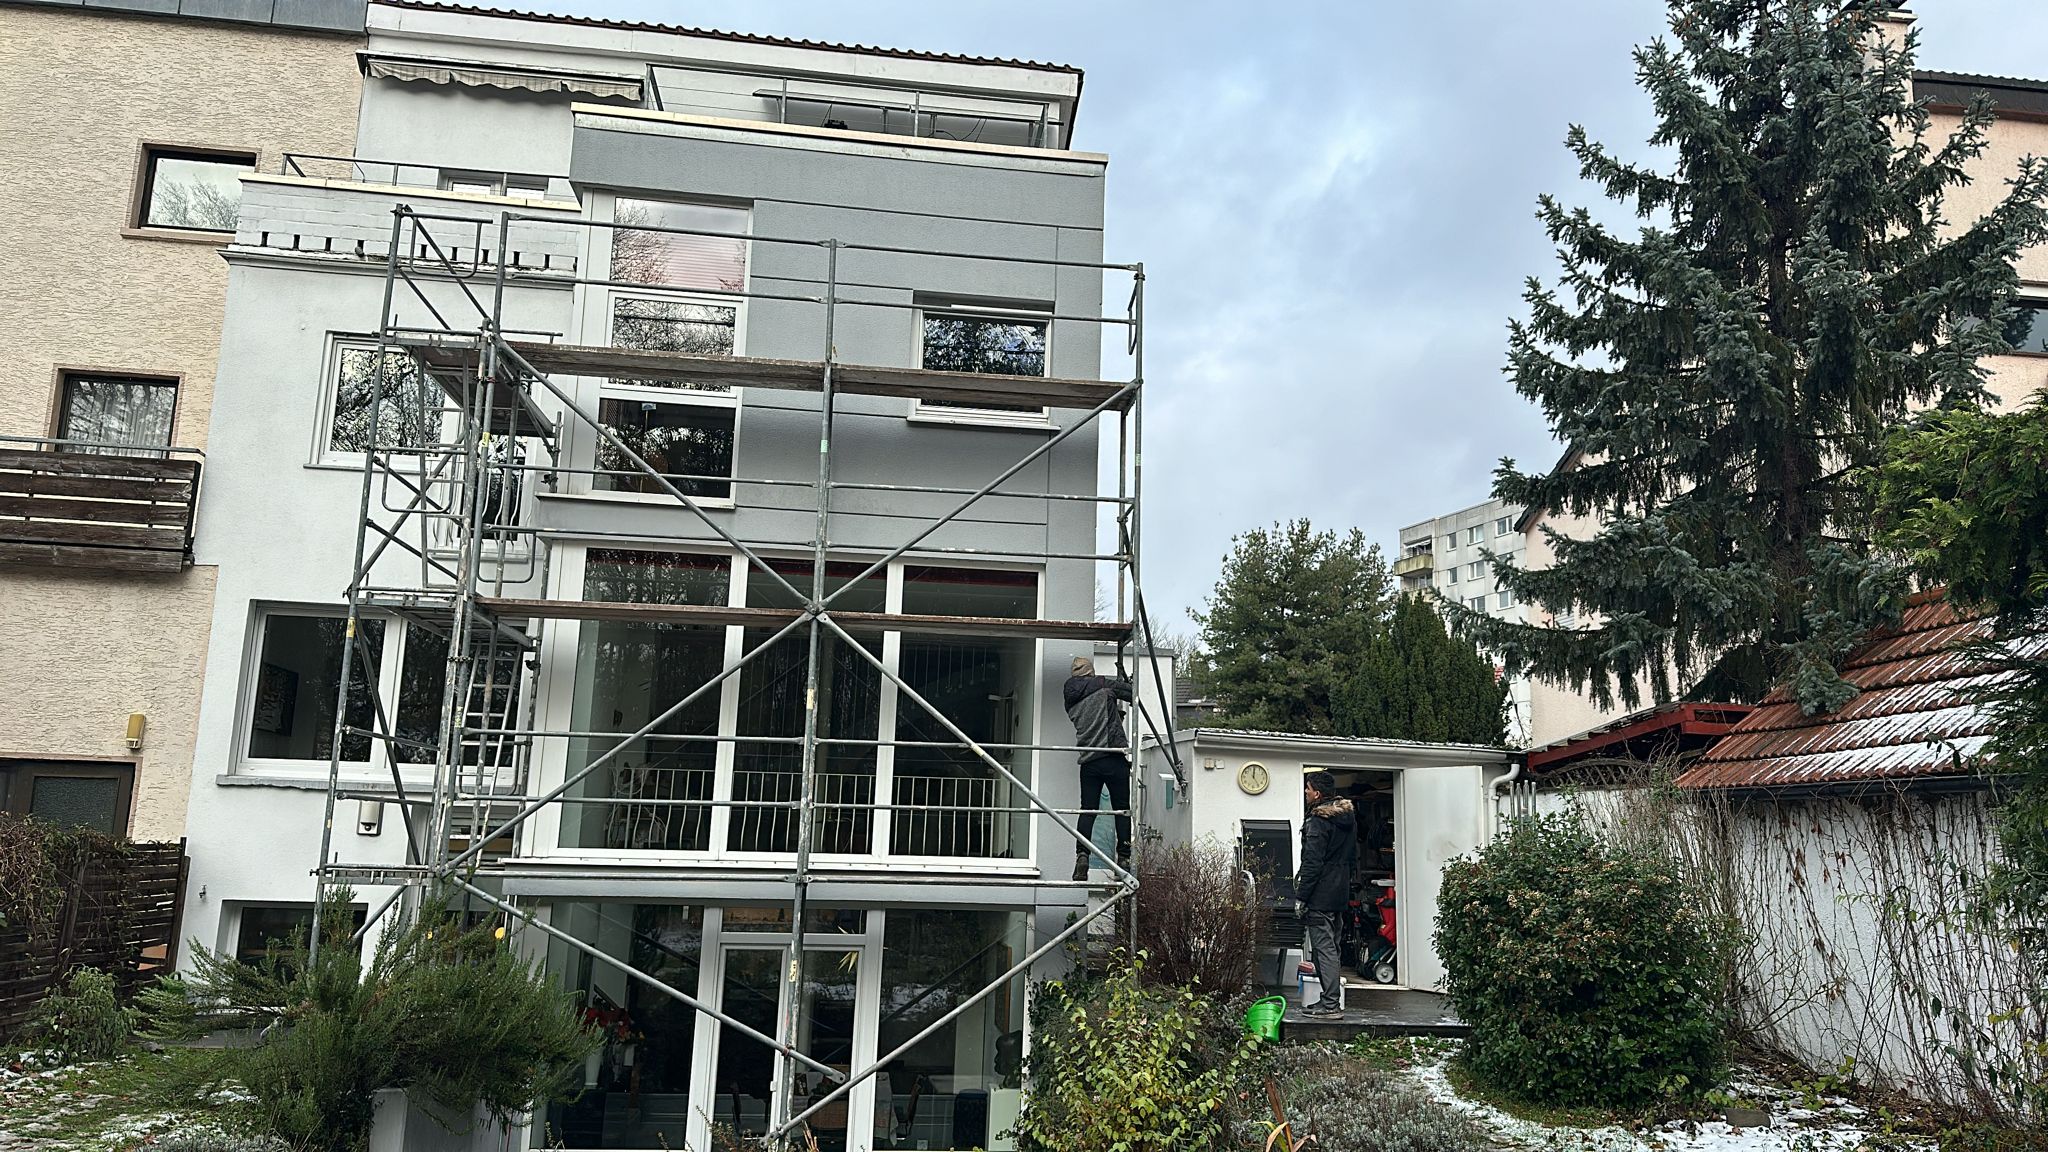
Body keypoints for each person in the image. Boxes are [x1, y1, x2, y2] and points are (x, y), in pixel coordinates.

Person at [1063, 656, 1134, 881]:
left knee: (1088, 810)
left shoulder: (1070, 698)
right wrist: (1127, 683)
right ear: (1090, 672)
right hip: (1113, 757)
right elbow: (1132, 694)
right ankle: (1124, 858)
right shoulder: (1102, 685)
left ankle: (1082, 855)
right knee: (1121, 810)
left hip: (1089, 762)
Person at [1294, 771, 1356, 1017]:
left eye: (1308, 788)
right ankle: (1328, 1000)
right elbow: (1352, 857)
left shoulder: (1318, 822)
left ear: (1317, 793)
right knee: (1331, 948)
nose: (1306, 792)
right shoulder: (1347, 819)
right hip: (1339, 893)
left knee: (1324, 949)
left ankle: (1330, 1004)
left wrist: (1302, 896)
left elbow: (1312, 862)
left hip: (1321, 894)